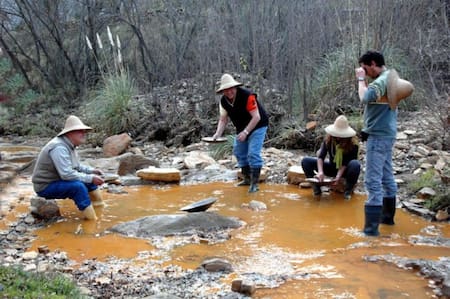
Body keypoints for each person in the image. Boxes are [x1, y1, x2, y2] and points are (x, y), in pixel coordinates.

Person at [356, 50, 413, 236]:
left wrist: (360, 80)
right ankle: (387, 220)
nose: (365, 72)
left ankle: (371, 231)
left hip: (378, 137)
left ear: (373, 64)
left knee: (372, 181)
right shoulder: (388, 79)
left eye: (365, 68)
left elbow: (364, 98)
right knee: (387, 177)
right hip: (386, 135)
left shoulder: (380, 82)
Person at [32, 115, 105, 220]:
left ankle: (100, 207)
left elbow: (77, 166)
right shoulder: (59, 147)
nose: (83, 134)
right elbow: (67, 174)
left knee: (88, 180)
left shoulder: (69, 145)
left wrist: (92, 171)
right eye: (80, 131)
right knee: (78, 187)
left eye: (84, 131)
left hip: (57, 180)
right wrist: (91, 178)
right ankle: (92, 220)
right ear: (69, 133)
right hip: (45, 186)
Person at [212, 73, 269, 193]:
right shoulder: (223, 102)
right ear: (222, 91)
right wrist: (217, 134)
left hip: (258, 125)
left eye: (230, 89)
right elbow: (223, 119)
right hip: (242, 127)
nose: (229, 92)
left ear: (235, 87)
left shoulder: (248, 96)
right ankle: (247, 178)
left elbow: (256, 117)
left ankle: (254, 184)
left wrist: (246, 132)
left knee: (253, 153)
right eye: (226, 90)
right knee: (238, 151)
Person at [301, 115, 360, 200]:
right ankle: (316, 188)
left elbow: (345, 163)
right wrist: (320, 172)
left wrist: (338, 177)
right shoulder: (329, 140)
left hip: (346, 170)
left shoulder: (353, 144)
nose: (338, 137)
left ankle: (348, 191)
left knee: (355, 164)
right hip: (332, 167)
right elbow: (321, 157)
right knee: (305, 161)